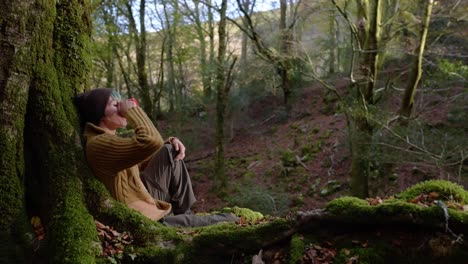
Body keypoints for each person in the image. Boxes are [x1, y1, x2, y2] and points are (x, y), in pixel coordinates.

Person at [74, 88, 238, 227]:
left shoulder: (107, 138)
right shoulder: (100, 144)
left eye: (121, 103)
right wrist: (132, 111)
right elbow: (150, 141)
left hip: (144, 200)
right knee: (228, 221)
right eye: (115, 105)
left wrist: (170, 142)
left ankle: (184, 214)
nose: (121, 108)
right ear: (99, 115)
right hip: (140, 219)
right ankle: (182, 222)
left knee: (169, 150)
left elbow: (138, 164)